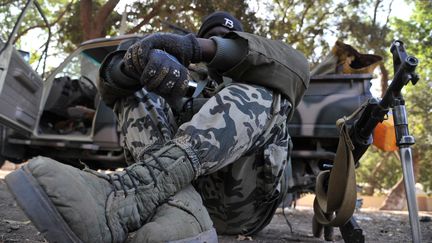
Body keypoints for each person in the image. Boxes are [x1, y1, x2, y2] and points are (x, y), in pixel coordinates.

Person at [5, 11, 310, 243]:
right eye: (210, 37)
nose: (214, 48)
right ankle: (171, 210)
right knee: (135, 87)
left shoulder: (270, 78)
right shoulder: (190, 88)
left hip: (240, 211)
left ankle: (133, 195)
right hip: (172, 205)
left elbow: (296, 67)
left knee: (262, 91)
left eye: (223, 42)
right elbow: (111, 89)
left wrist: (192, 47)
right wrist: (133, 66)